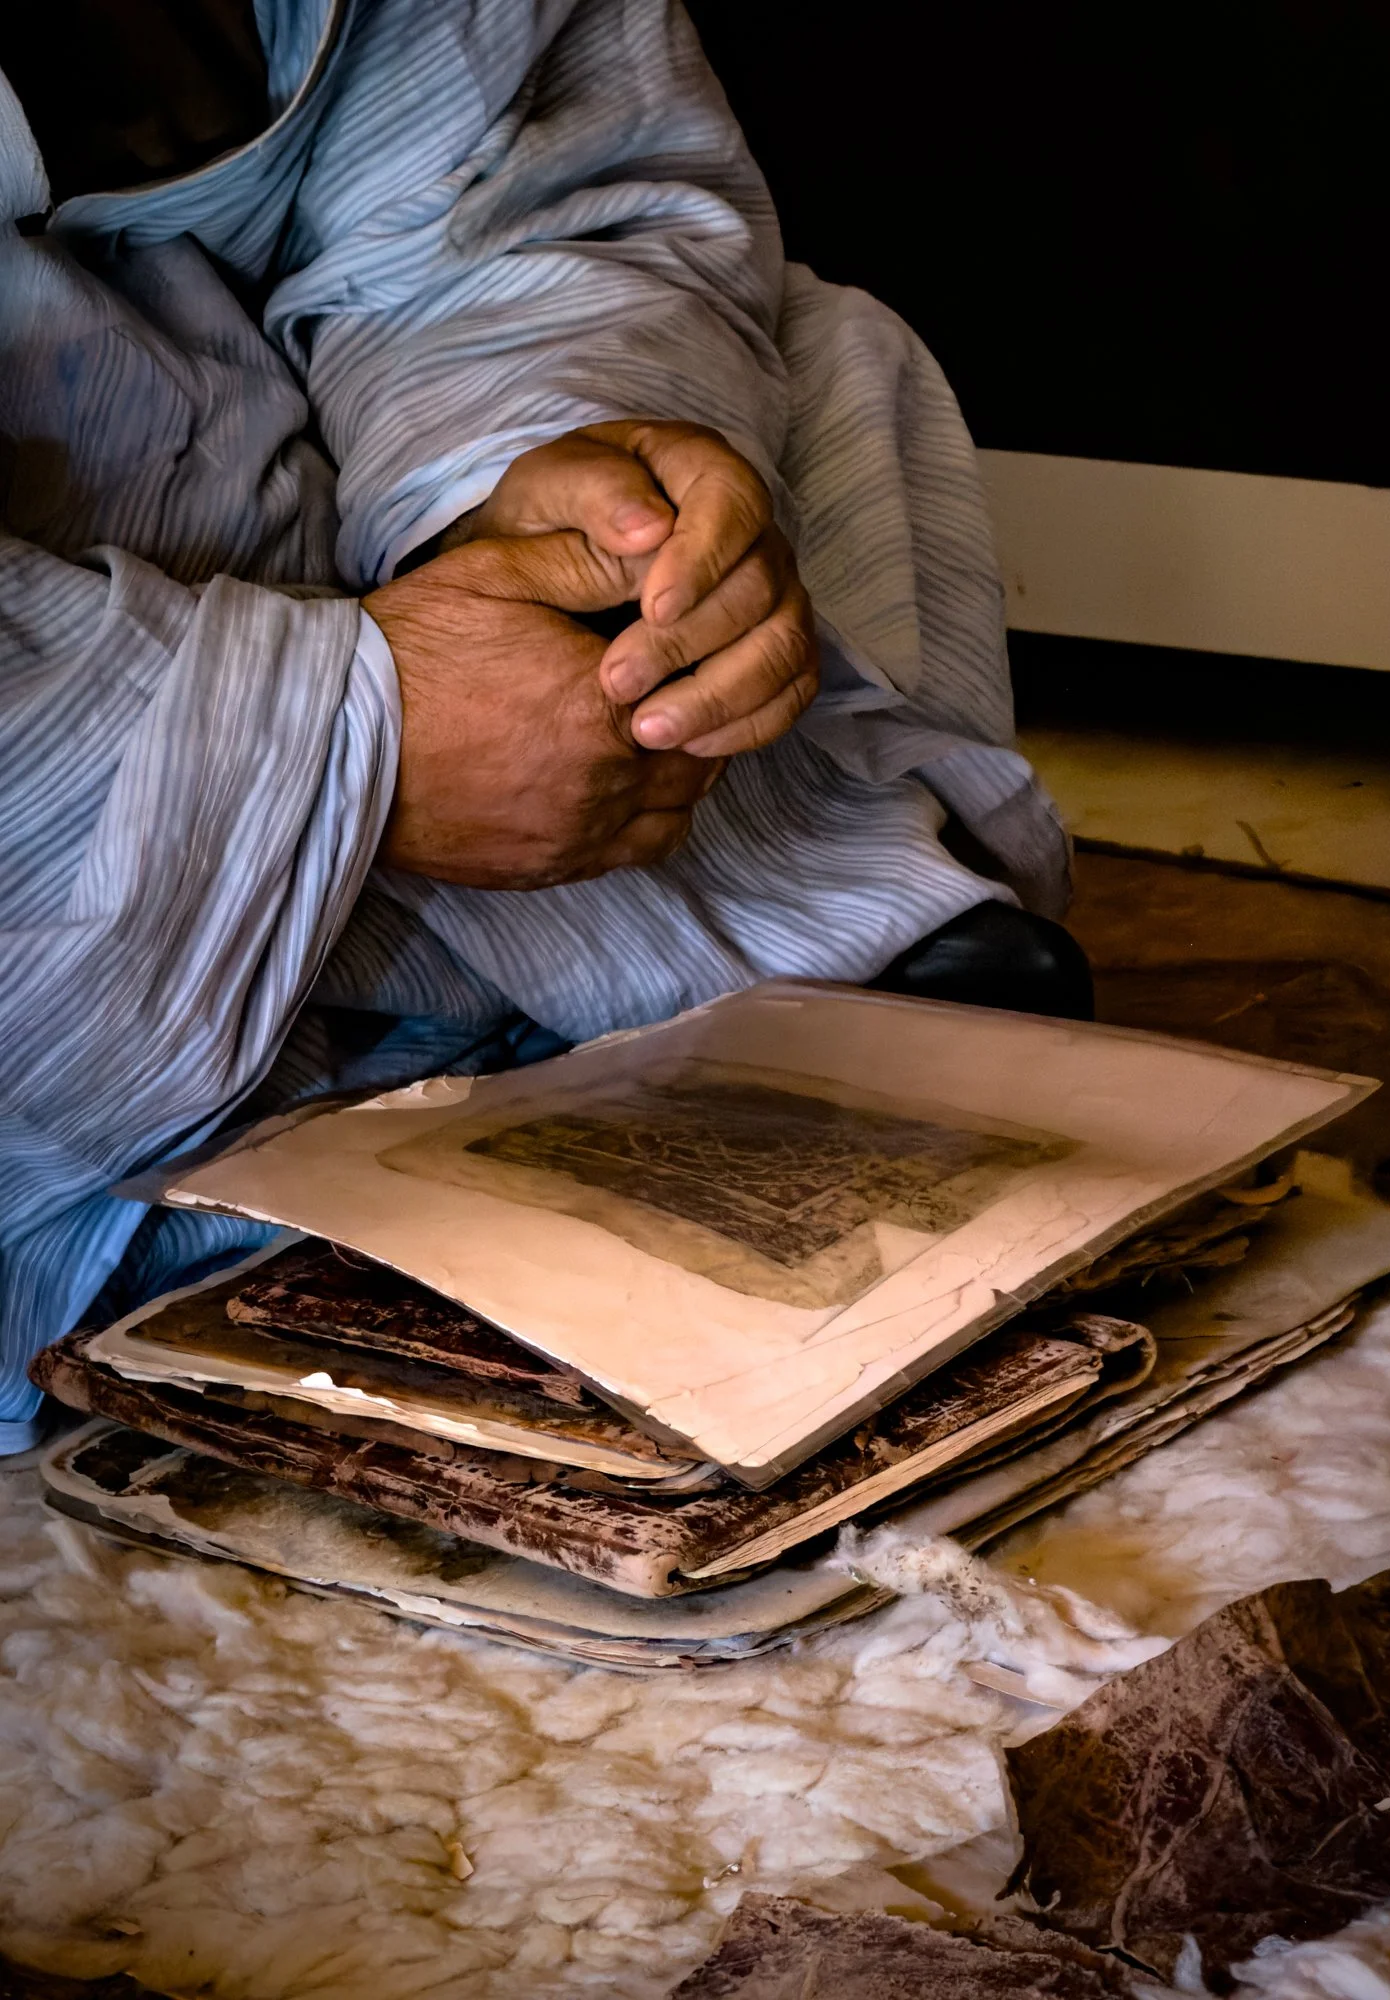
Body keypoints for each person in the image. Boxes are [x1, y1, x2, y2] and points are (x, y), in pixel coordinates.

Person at [0, 0, 1089, 1453]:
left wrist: (528, 474)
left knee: (818, 361)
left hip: (302, 458)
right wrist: (339, 739)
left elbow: (524, 188)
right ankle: (295, 1149)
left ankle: (694, 1006)